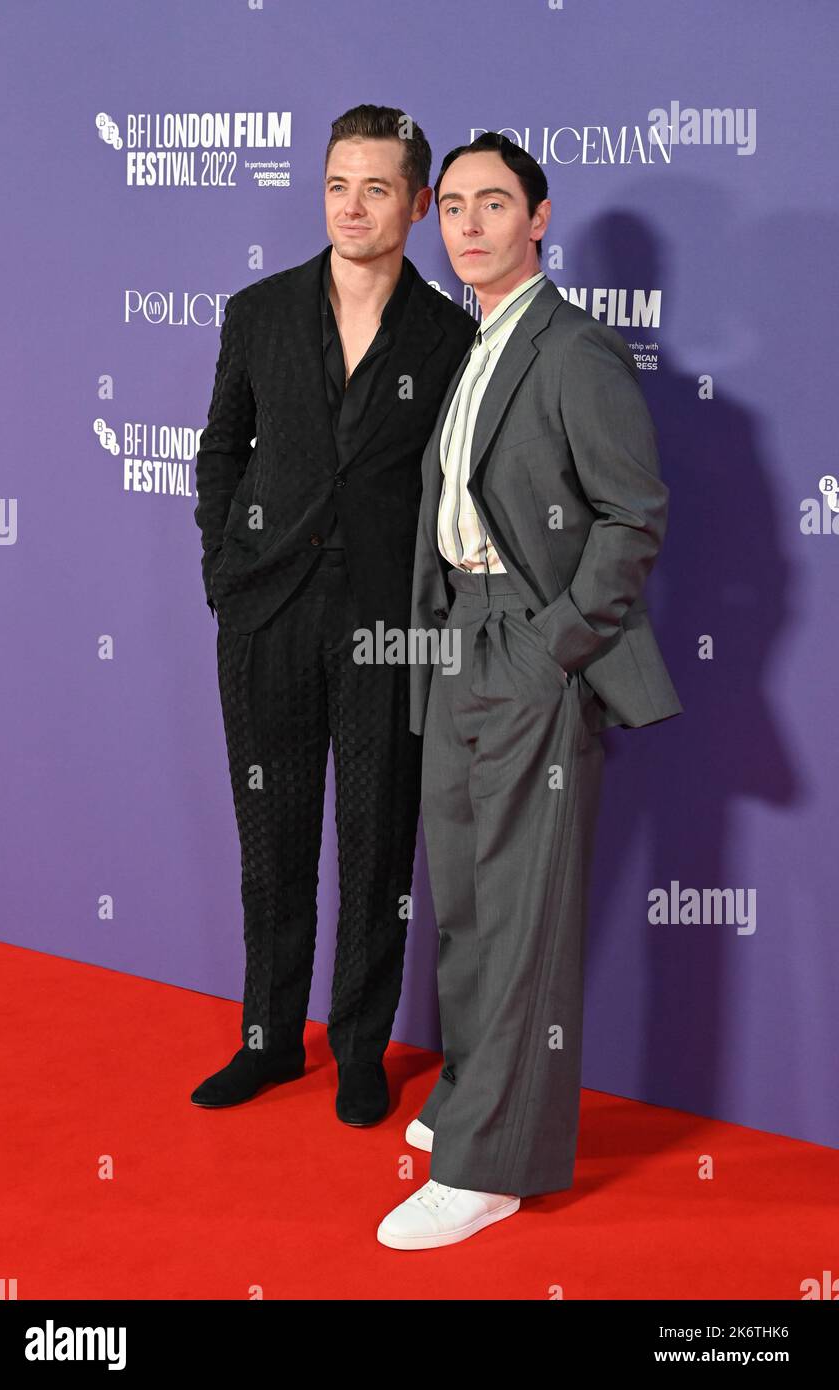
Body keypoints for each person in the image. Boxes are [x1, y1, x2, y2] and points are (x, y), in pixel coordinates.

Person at [377, 132, 683, 1249]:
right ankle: (473, 1098)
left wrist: (553, 643)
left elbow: (631, 515)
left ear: (538, 219)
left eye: (492, 203)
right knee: (463, 901)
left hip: (525, 647)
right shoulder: (477, 341)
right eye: (451, 204)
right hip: (457, 638)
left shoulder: (573, 348)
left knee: (520, 913)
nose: (465, 223)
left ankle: (492, 1166)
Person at [191, 105, 476, 1124]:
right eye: (336, 186)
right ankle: (268, 1040)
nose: (353, 207)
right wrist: (227, 572)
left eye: (377, 188)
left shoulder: (449, 334)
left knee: (375, 843)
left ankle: (361, 1046)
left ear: (414, 200)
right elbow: (221, 449)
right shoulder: (260, 311)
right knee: (270, 840)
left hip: (385, 629)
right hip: (265, 618)